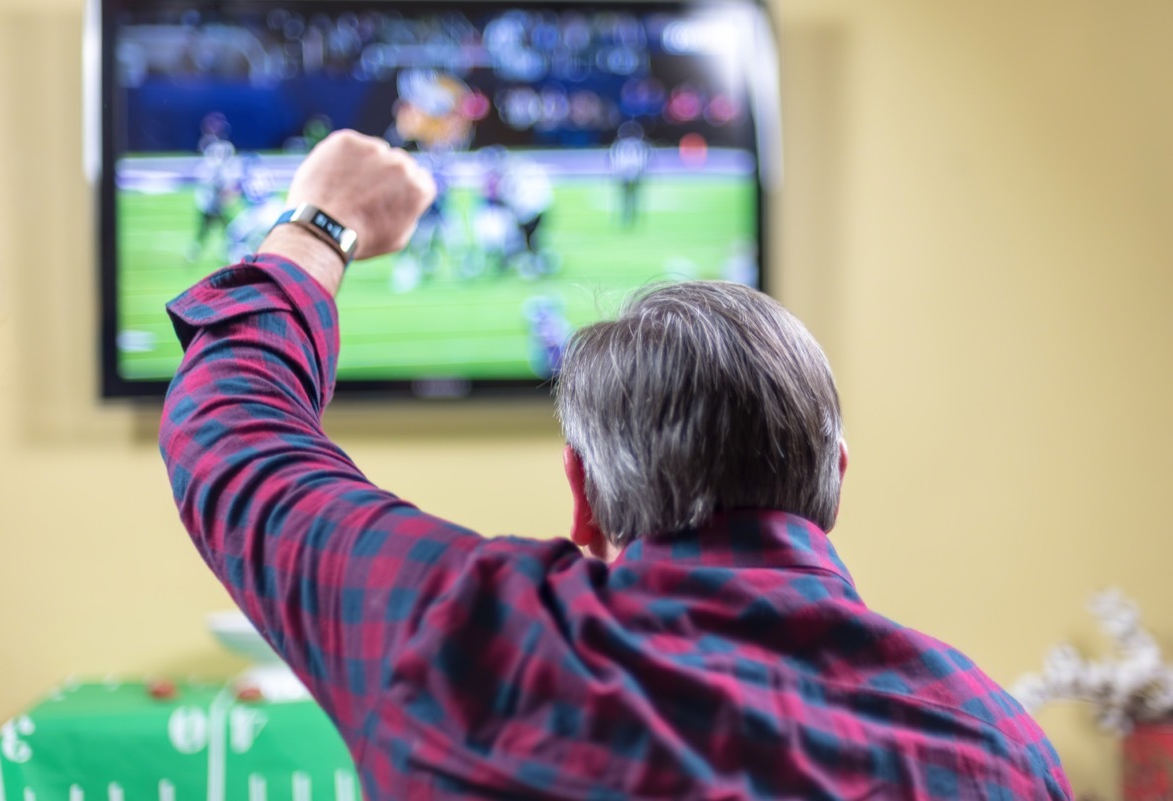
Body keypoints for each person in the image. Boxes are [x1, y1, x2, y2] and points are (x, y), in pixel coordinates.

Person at [159, 130, 1072, 800]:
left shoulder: (475, 642)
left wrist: (323, 225)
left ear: (584, 495)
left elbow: (232, 432)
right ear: (835, 472)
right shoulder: (996, 740)